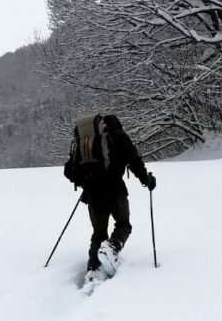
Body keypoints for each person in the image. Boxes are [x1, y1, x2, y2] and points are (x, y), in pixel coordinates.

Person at [63, 113, 156, 277]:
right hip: (115, 189)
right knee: (123, 224)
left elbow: (69, 171)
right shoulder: (119, 136)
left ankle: (93, 269)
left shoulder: (85, 141)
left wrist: (86, 182)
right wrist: (147, 180)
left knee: (98, 233)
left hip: (92, 193)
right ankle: (112, 247)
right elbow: (134, 161)